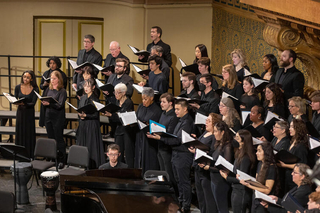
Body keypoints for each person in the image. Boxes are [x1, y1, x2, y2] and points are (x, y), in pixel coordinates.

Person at [147, 99, 195, 212]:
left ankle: (186, 206)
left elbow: (178, 140)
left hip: (183, 155)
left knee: (184, 181)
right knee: (178, 180)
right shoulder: (180, 120)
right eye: (175, 109)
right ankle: (181, 201)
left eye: (178, 109)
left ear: (185, 109)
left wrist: (161, 138)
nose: (176, 111)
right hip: (176, 154)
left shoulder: (187, 122)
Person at [188, 113, 221, 213]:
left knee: (208, 198)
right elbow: (202, 145)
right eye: (206, 120)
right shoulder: (205, 133)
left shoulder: (214, 137)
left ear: (215, 124)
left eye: (209, 121)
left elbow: (212, 152)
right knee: (201, 197)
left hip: (206, 170)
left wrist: (196, 151)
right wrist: (195, 141)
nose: (206, 122)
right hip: (198, 168)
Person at [201, 121, 233, 213]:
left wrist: (208, 168)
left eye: (215, 131)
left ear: (222, 132)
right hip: (214, 179)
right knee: (218, 207)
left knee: (222, 208)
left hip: (220, 181)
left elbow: (226, 167)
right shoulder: (219, 143)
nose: (214, 133)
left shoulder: (227, 146)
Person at [220, 129, 256, 213]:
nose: (234, 139)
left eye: (237, 137)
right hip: (236, 189)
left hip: (241, 191)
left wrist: (226, 177)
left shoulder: (246, 157)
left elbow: (242, 178)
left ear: (243, 141)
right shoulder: (240, 153)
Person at [239, 142, 279, 213]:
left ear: (266, 152)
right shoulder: (260, 164)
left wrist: (249, 185)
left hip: (264, 201)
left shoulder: (271, 168)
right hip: (256, 197)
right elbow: (257, 182)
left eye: (259, 151)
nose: (257, 153)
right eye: (257, 151)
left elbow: (267, 190)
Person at [40, 71, 67, 168]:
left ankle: (62, 160)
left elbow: (60, 105)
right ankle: (52, 157)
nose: (52, 80)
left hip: (58, 118)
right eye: (51, 78)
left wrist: (49, 104)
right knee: (51, 138)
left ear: (59, 80)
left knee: (59, 139)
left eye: (54, 78)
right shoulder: (48, 89)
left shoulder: (62, 91)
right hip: (48, 117)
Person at [76, 78, 105, 169]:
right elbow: (79, 109)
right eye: (85, 86)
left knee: (91, 146)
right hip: (83, 125)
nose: (86, 88)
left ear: (93, 87)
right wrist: (80, 115)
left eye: (88, 86)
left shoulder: (95, 99)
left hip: (92, 125)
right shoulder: (83, 98)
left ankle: (92, 166)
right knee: (83, 145)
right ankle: (82, 164)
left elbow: (96, 115)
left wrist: (86, 116)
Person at [104, 83, 134, 168]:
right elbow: (117, 116)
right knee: (117, 152)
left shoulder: (128, 103)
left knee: (128, 153)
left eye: (118, 93)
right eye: (115, 93)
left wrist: (112, 115)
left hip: (127, 131)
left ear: (124, 93)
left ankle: (129, 171)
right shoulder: (116, 102)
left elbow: (123, 117)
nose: (116, 95)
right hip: (118, 130)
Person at [135, 87, 162, 173]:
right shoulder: (140, 106)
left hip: (150, 139)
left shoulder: (157, 110)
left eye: (145, 99)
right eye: (142, 99)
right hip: (140, 135)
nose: (143, 101)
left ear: (152, 98)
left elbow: (157, 125)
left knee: (149, 158)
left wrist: (148, 125)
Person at [278, 119, 309, 193]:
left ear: (298, 129)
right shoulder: (292, 141)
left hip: (295, 179)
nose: (289, 129)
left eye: (292, 127)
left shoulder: (301, 146)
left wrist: (285, 165)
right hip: (289, 176)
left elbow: (302, 165)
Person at [156, 93, 179, 193]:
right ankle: (165, 192)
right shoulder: (163, 113)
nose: (161, 104)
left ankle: (174, 194)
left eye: (164, 102)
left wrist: (159, 134)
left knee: (169, 173)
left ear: (170, 103)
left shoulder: (173, 116)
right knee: (162, 172)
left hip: (167, 148)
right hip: (160, 145)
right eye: (161, 102)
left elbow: (170, 132)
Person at [14, 70, 39, 158]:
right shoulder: (17, 87)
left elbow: (33, 102)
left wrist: (24, 104)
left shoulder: (35, 89)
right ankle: (19, 154)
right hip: (20, 113)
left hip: (29, 113)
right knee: (20, 132)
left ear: (31, 79)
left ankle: (29, 154)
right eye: (24, 77)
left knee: (29, 133)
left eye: (28, 77)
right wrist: (15, 101)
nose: (25, 79)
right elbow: (15, 98)